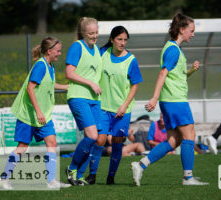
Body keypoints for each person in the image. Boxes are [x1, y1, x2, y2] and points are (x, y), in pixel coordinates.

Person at [131, 13, 209, 186]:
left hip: (171, 100)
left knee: (174, 141)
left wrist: (191, 71)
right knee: (190, 135)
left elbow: (177, 76)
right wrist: (154, 98)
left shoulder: (174, 49)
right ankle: (188, 177)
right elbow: (163, 73)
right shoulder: (173, 50)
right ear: (181, 30)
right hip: (176, 100)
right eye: (191, 30)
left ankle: (140, 164)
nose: (193, 34)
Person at [0, 36, 71, 189]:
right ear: (49, 51)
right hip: (30, 114)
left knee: (52, 143)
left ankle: (51, 181)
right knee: (22, 147)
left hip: (44, 115)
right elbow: (30, 88)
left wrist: (65, 87)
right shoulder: (40, 66)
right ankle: (4, 178)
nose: (60, 53)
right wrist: (38, 112)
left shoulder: (50, 66)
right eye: (58, 51)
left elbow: (49, 84)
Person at [77, 26, 143, 185]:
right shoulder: (102, 53)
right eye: (119, 39)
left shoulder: (131, 60)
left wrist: (124, 106)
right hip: (102, 107)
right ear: (112, 39)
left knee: (117, 142)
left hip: (122, 110)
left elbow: (135, 85)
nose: (122, 43)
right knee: (99, 141)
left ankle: (111, 177)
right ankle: (92, 175)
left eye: (125, 40)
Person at [65, 17, 103, 186]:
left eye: (96, 32)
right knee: (92, 135)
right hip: (79, 96)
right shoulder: (77, 47)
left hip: (95, 99)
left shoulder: (96, 49)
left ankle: (79, 176)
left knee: (96, 139)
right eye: (91, 33)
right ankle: (72, 168)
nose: (94, 36)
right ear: (82, 33)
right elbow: (69, 73)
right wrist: (90, 83)